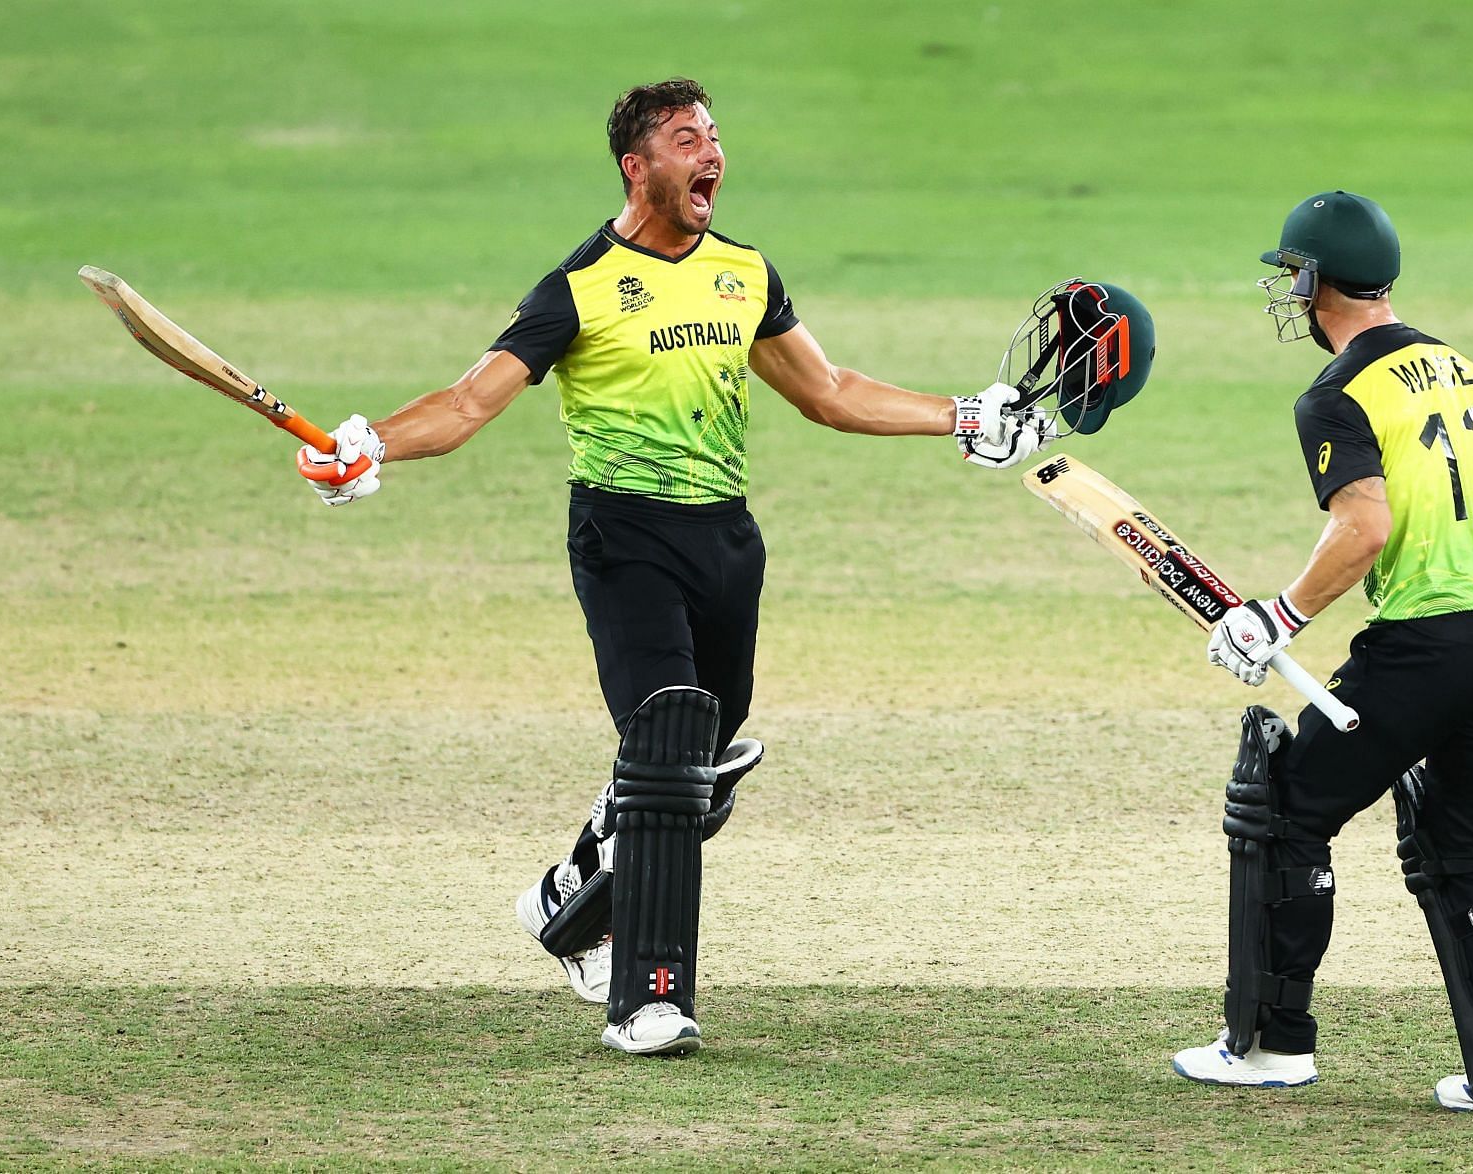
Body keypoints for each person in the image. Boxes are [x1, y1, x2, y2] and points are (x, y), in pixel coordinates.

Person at [294, 78, 1042, 1056]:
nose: (712, 154)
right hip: (624, 539)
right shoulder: (581, 288)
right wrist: (372, 444)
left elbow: (826, 390)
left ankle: (569, 901)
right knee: (665, 747)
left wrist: (962, 413)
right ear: (636, 167)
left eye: (716, 137)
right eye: (687, 139)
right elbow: (472, 401)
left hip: (727, 543)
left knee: (707, 769)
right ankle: (649, 999)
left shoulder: (743, 272)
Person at [1170, 192, 1473, 1118]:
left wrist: (1280, 615)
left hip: (1428, 646)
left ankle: (1272, 1048)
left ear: (1311, 281)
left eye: (1288, 277)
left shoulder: (1337, 392)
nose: (1286, 295)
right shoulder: (1463, 368)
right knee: (1469, 854)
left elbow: (1366, 524)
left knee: (1284, 810)